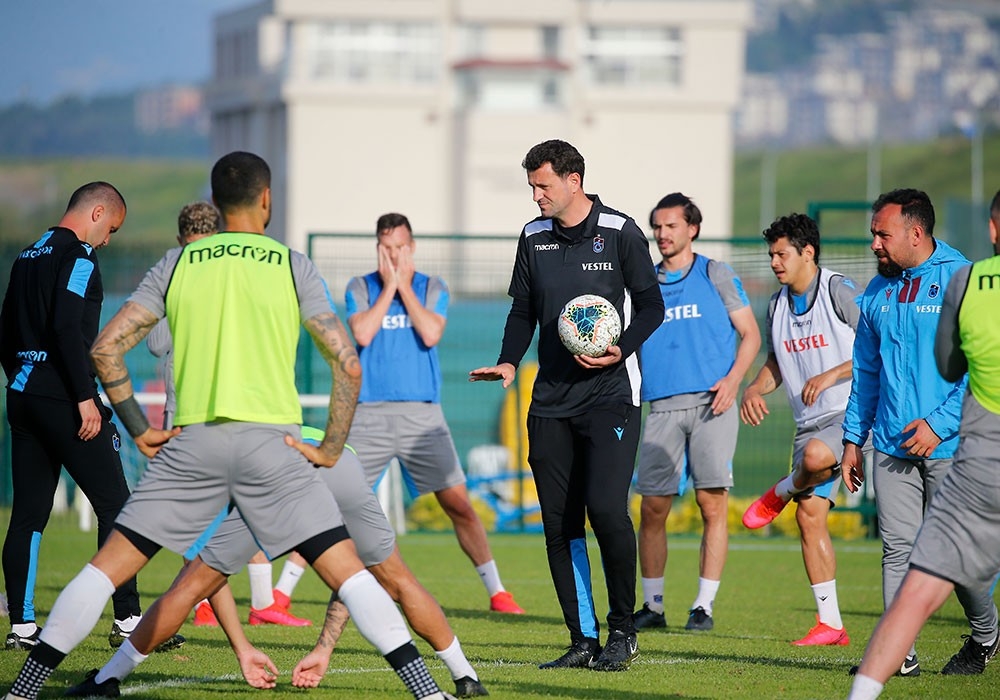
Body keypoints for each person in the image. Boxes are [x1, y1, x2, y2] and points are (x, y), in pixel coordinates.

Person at [3, 151, 450, 700]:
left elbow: (106, 348)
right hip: (273, 446)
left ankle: (25, 690)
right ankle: (429, 692)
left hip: (193, 445)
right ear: (266, 201)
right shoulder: (292, 264)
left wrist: (140, 427)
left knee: (103, 570)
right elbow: (348, 362)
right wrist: (331, 448)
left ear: (214, 203)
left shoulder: (175, 264)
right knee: (351, 575)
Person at [65, 428, 488, 698]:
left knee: (189, 585)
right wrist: (323, 649)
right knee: (394, 581)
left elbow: (208, 584)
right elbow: (350, 580)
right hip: (339, 461)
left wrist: (242, 648)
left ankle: (106, 681)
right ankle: (466, 679)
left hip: (271, 470)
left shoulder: (203, 448)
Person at [470, 139, 663, 672]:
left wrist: (621, 349)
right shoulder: (533, 237)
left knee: (605, 508)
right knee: (559, 523)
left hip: (611, 398)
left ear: (573, 181)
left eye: (543, 185)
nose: (535, 196)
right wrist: (509, 362)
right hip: (550, 402)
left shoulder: (622, 232)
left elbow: (652, 307)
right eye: (532, 186)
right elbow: (523, 311)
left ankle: (623, 630)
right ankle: (583, 639)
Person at [0, 182, 182, 653]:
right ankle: (128, 621)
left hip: (22, 395)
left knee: (28, 516)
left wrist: (24, 378)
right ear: (97, 212)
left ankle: (21, 629)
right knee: (117, 506)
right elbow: (65, 325)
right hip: (65, 399)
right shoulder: (79, 257)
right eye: (111, 230)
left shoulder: (26, 255)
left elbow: (4, 331)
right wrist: (84, 396)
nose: (107, 241)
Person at [846, 191, 1000, 699]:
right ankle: (901, 655)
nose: (874, 245)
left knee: (958, 561)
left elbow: (981, 368)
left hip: (953, 444)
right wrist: (852, 439)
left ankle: (984, 636)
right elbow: (867, 373)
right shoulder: (876, 292)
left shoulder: (964, 280)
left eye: (882, 235)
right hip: (890, 444)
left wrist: (938, 425)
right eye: (874, 234)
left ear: (917, 233)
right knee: (897, 551)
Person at [344, 212, 523, 616]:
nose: (392, 255)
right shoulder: (360, 286)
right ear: (377, 248)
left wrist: (402, 286)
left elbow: (430, 333)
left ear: (411, 248)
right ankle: (280, 595)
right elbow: (362, 333)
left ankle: (497, 591)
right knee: (337, 501)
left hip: (422, 415)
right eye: (385, 248)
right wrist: (388, 287)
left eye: (399, 248)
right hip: (369, 412)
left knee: (458, 502)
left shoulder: (432, 286)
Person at [146, 201, 309, 628]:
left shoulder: (226, 276)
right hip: (184, 411)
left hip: (226, 407)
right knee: (194, 514)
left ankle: (258, 603)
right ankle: (202, 603)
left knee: (250, 508)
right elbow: (156, 341)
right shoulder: (180, 275)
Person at [631, 193, 760, 634]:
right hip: (661, 406)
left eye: (671, 226)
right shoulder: (643, 282)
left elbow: (750, 335)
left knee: (711, 503)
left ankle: (703, 606)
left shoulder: (716, 273)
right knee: (652, 507)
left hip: (713, 404)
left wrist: (733, 381)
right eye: (658, 227)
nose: (663, 234)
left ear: (693, 229)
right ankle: (653, 606)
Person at [739, 212, 863, 646]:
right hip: (807, 422)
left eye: (781, 254)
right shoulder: (775, 305)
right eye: (771, 254)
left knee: (813, 459)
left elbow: (879, 342)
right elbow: (776, 362)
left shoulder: (836, 290)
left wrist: (832, 375)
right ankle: (830, 624)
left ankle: (781, 491)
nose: (774, 262)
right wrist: (755, 387)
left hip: (850, 413)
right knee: (810, 520)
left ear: (807, 253)